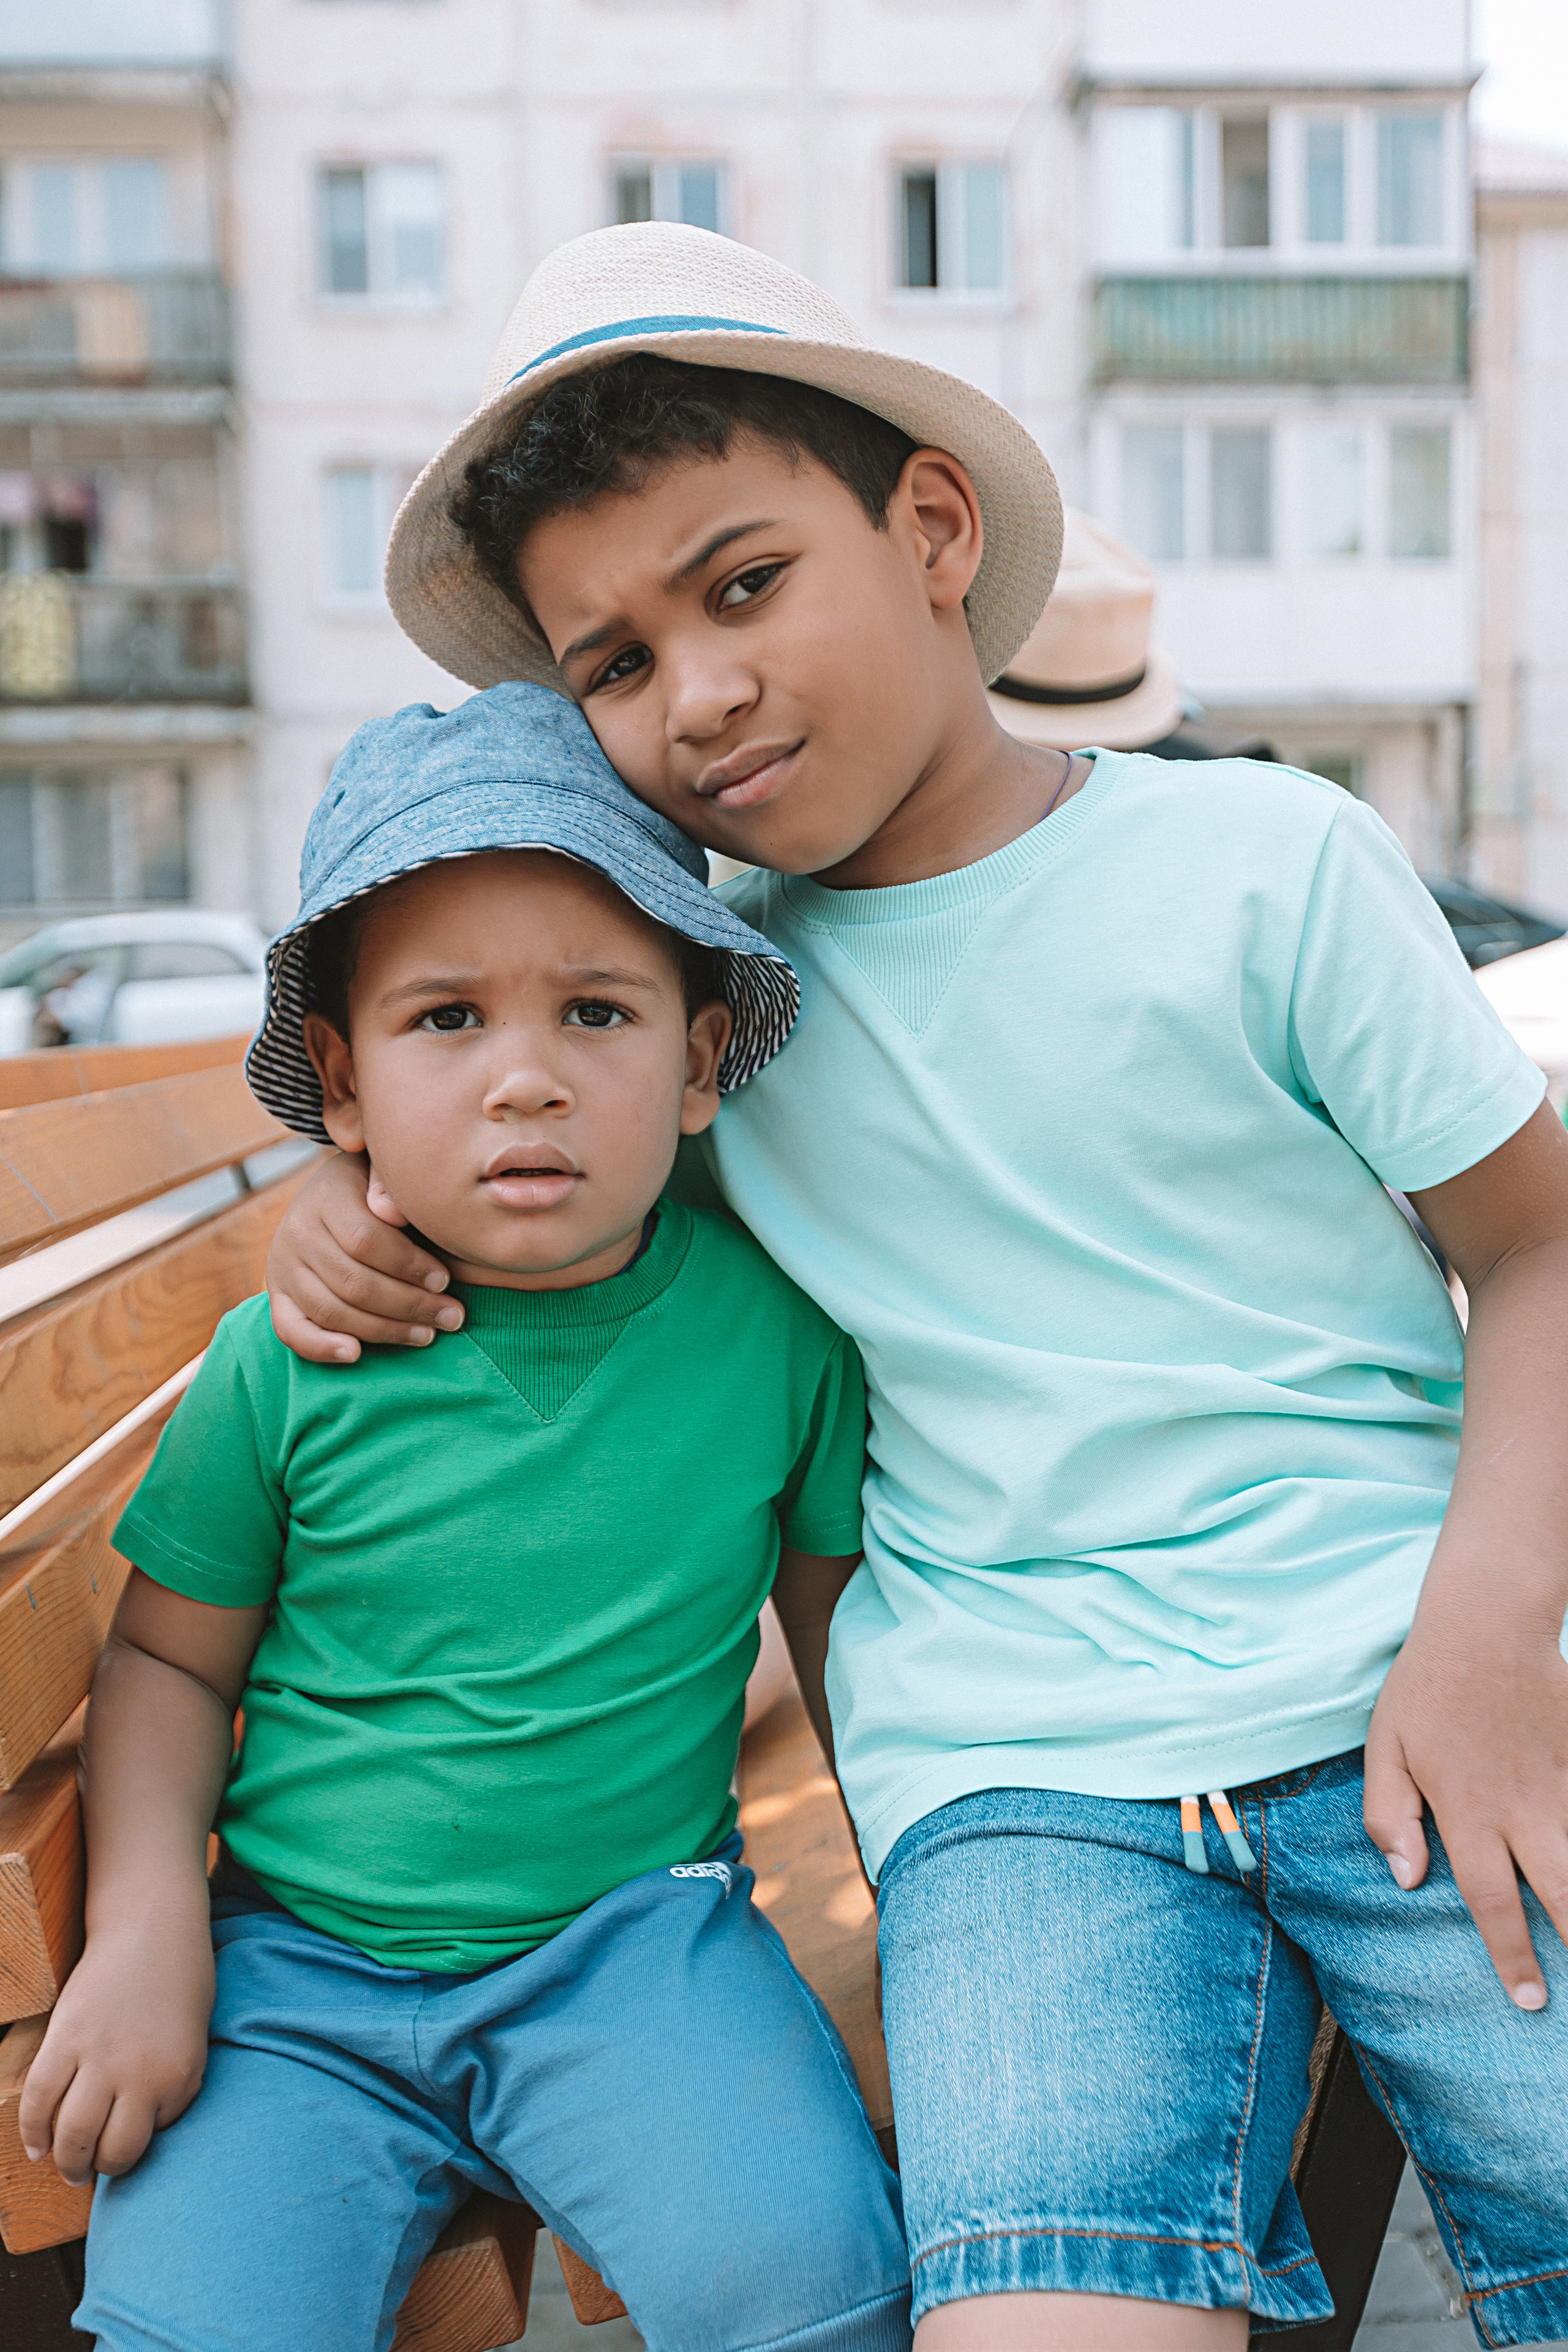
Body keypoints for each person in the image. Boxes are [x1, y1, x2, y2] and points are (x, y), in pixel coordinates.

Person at [264, 225, 1568, 2351]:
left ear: (934, 526)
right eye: (611, 661)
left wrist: (1499, 1636)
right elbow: (489, 1185)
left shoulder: (1266, 868)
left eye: (745, 582)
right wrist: (339, 1220)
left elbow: (1539, 1244)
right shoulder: (693, 1022)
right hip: (1021, 1784)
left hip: (1415, 1688)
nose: (695, 693)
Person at [20, 684, 912, 2352]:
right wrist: (145, 1926)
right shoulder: (289, 1360)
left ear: (703, 1058)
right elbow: (168, 1664)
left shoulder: (782, 1338)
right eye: (448, 1021)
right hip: (293, 1976)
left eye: (596, 1013)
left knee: (813, 2290)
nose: (527, 1081)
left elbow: (845, 1648)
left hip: (638, 1947)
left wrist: (922, 1932)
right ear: (341, 1088)